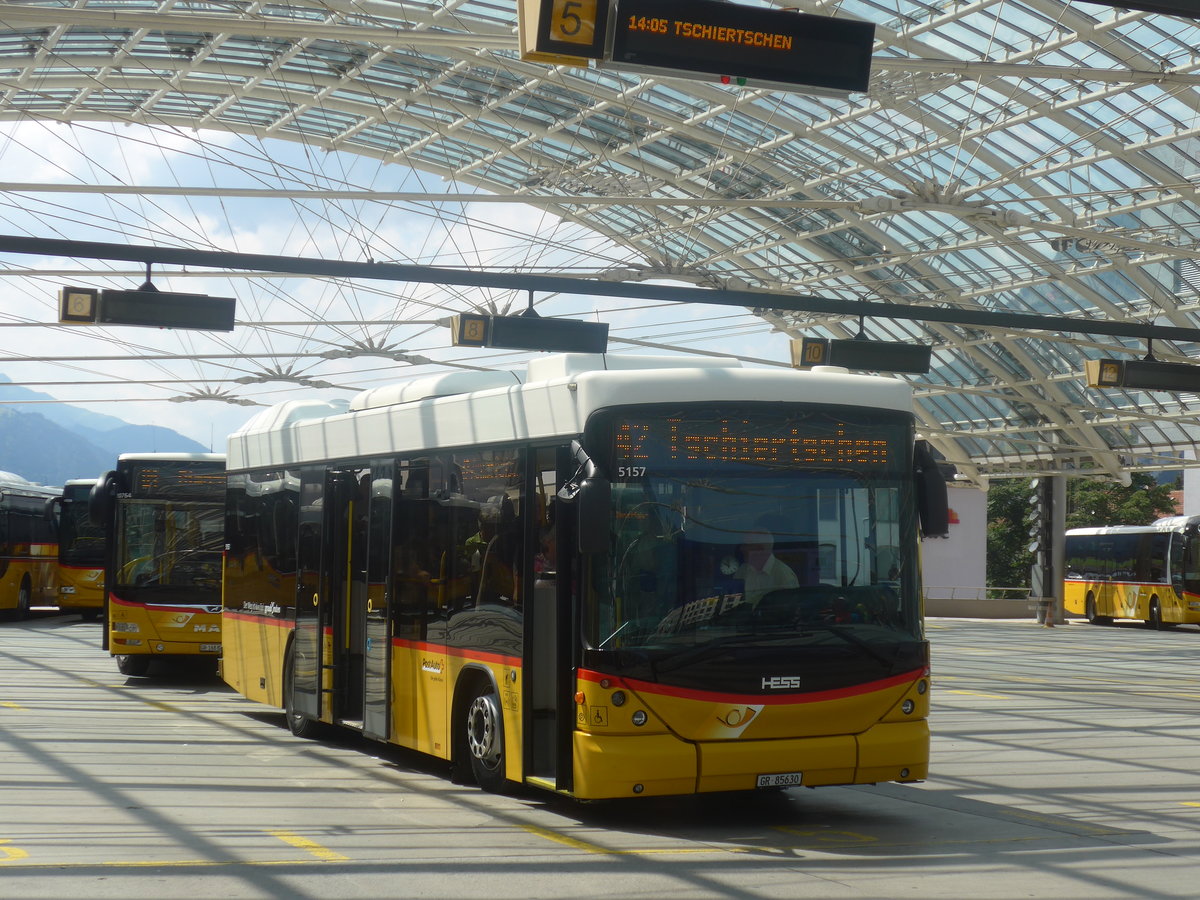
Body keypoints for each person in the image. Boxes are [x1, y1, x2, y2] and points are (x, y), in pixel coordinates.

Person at [736, 529, 799, 607]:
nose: (741, 548)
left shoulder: (783, 575)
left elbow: (788, 612)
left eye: (746, 545)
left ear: (759, 549)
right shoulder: (742, 570)